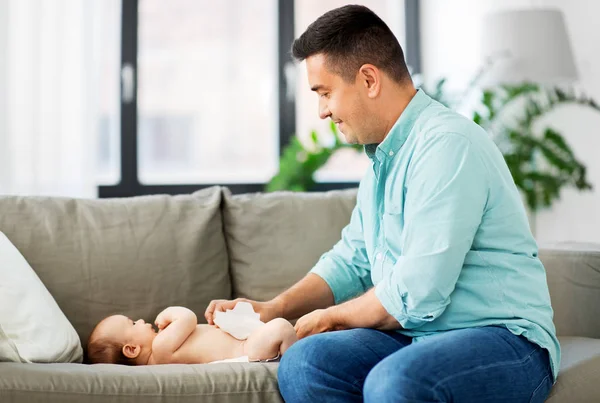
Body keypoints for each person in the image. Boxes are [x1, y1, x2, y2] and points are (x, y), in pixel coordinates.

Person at [205, 5, 559, 402]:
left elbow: (417, 291)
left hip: (502, 338)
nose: (322, 111)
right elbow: (352, 259)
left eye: (325, 93)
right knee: (306, 363)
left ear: (369, 79)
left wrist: (332, 318)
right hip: (415, 335)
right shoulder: (381, 163)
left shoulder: (447, 146)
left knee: (396, 382)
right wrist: (274, 308)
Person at [87, 306, 296, 365]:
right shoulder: (160, 349)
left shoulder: (163, 350)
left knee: (285, 332)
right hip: (245, 351)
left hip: (247, 343)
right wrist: (168, 312)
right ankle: (293, 363)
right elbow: (188, 318)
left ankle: (293, 353)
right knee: (281, 327)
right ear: (132, 349)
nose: (141, 321)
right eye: (133, 323)